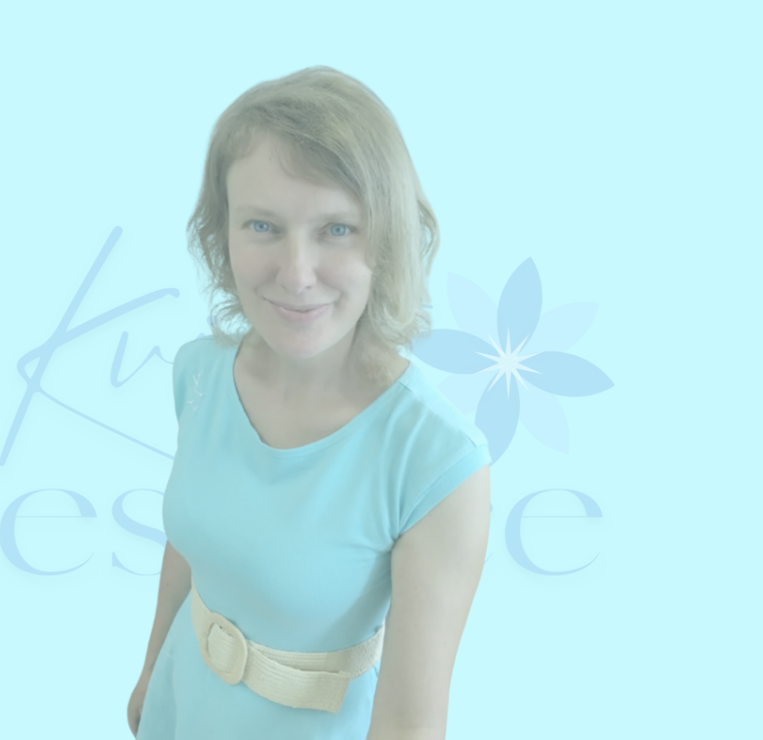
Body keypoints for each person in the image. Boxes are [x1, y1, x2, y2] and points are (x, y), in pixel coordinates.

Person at [127, 67, 493, 739]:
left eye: (337, 229)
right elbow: (191, 544)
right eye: (262, 225)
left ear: (389, 239)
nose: (296, 274)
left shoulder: (436, 462)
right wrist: (152, 668)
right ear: (221, 231)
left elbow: (410, 722)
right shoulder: (200, 374)